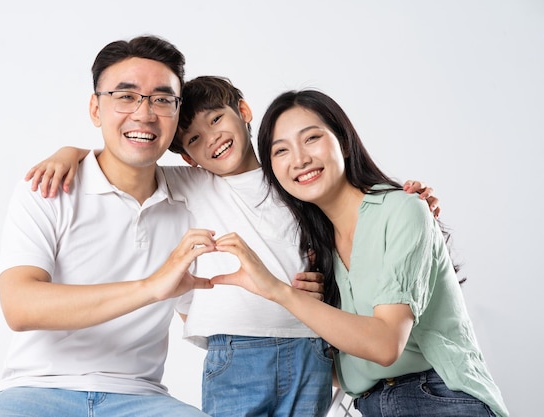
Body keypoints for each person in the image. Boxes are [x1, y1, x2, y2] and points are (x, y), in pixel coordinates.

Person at [26, 77, 440, 417]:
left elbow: (349, 213)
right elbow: (126, 161)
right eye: (193, 139)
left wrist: (408, 198)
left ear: (243, 111)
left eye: (216, 119)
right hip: (236, 350)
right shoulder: (193, 183)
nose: (211, 140)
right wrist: (72, 152)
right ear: (188, 157)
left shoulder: (292, 175)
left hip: (310, 346)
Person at [209, 89, 509, 417]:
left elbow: (384, 345)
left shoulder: (402, 209)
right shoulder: (314, 247)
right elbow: (346, 366)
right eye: (281, 151)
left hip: (438, 397)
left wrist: (280, 293)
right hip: (370, 405)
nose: (299, 159)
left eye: (311, 138)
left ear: (345, 143)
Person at [0, 36, 217, 417]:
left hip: (142, 397)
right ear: (95, 108)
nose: (145, 113)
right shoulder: (47, 186)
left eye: (162, 99)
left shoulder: (195, 196)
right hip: (37, 390)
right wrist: (151, 287)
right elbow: (20, 306)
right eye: (125, 96)